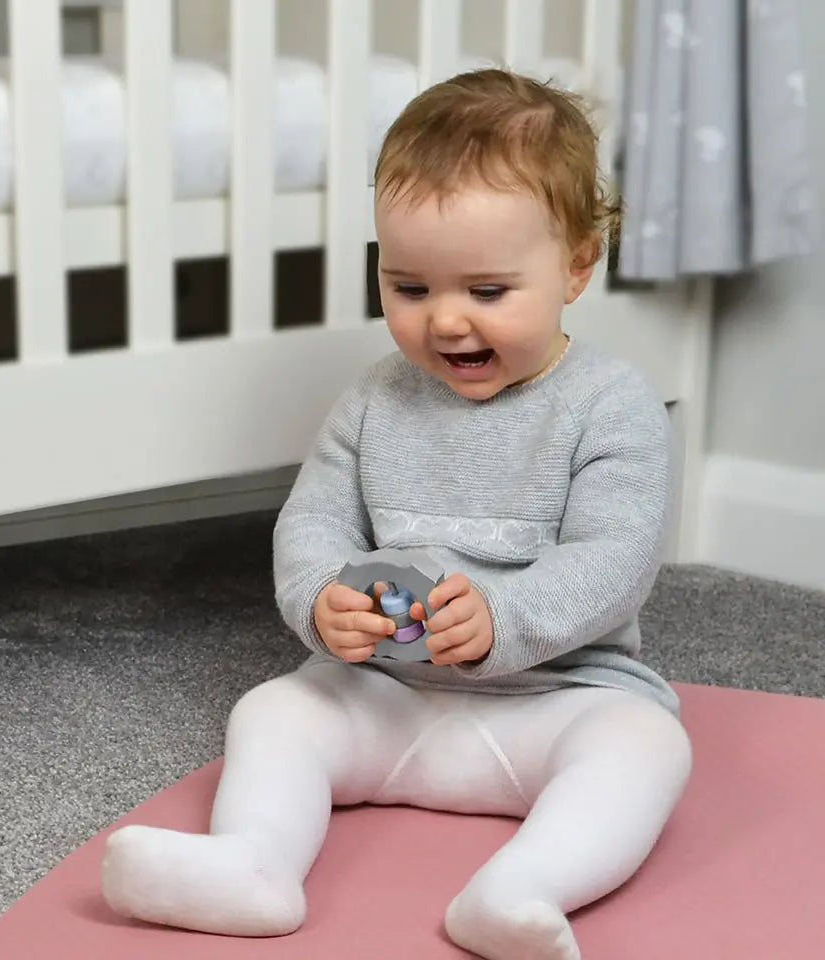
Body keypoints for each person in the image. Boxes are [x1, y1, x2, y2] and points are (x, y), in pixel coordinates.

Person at [100, 68, 693, 960]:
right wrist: (322, 598)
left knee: (648, 747)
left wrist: (507, 616)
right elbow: (312, 525)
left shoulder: (612, 407)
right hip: (388, 698)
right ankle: (253, 864)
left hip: (558, 699)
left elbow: (617, 555)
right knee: (272, 712)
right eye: (410, 288)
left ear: (576, 265)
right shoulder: (375, 402)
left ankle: (519, 889)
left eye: (487, 292)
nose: (446, 321)